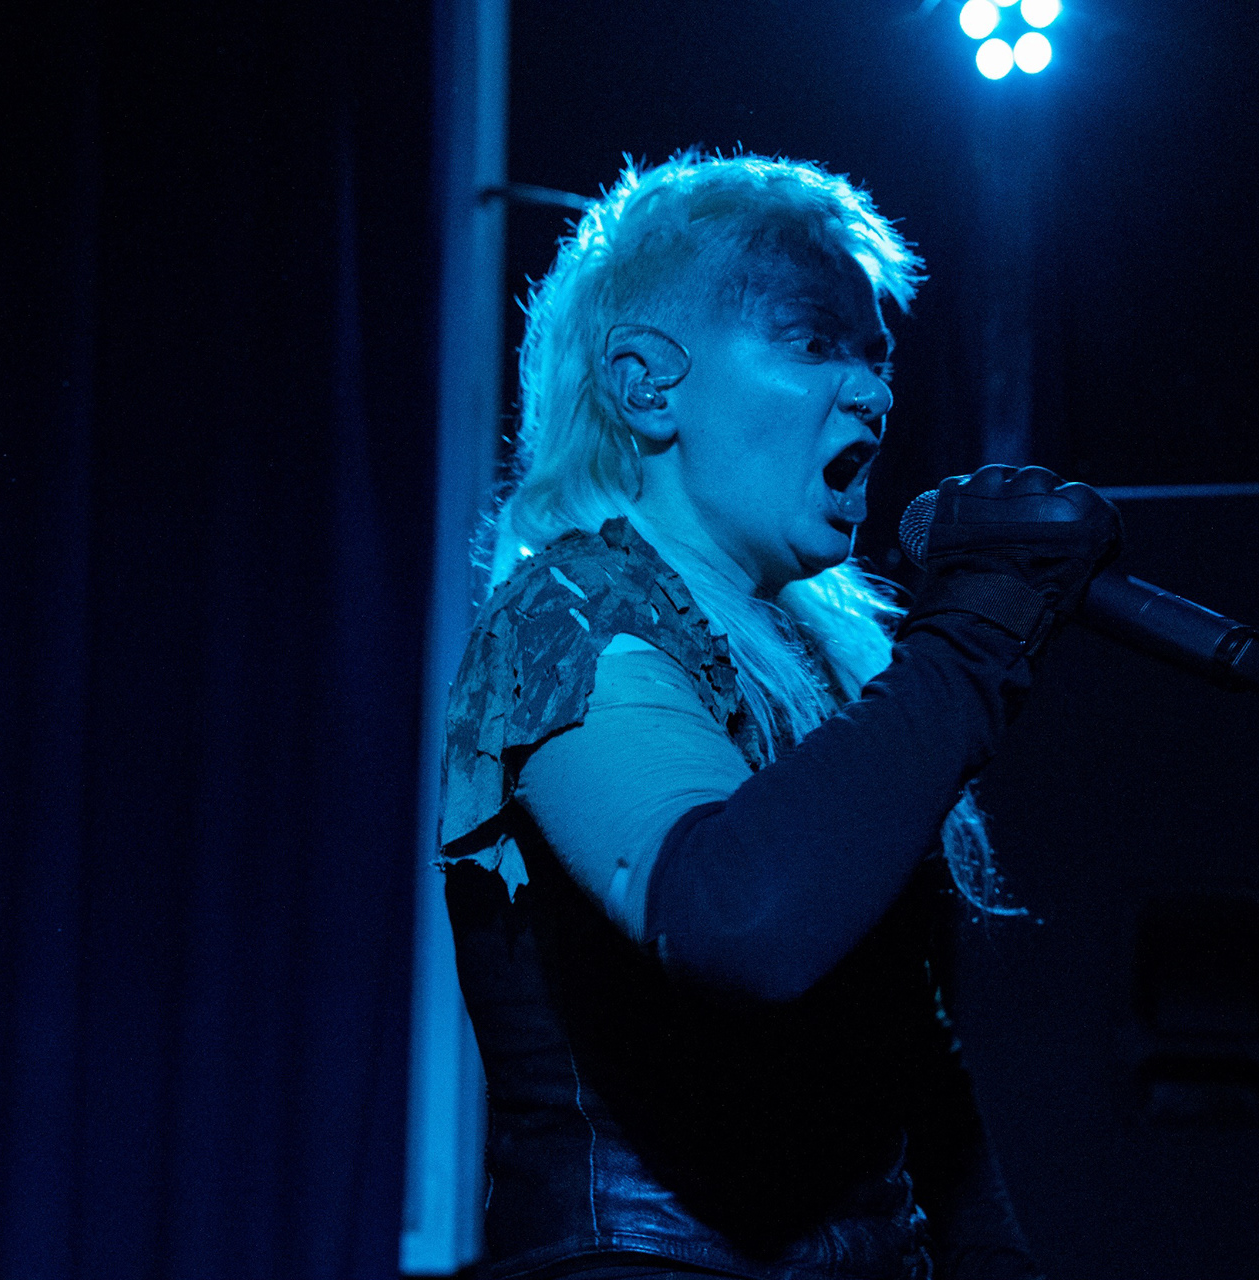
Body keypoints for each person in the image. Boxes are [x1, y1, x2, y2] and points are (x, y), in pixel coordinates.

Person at [438, 152, 1120, 1280]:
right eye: (813, 342)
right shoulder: (570, 614)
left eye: (875, 354)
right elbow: (736, 920)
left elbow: (901, 1043)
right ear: (647, 384)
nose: (874, 394)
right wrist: (971, 640)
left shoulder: (817, 658)